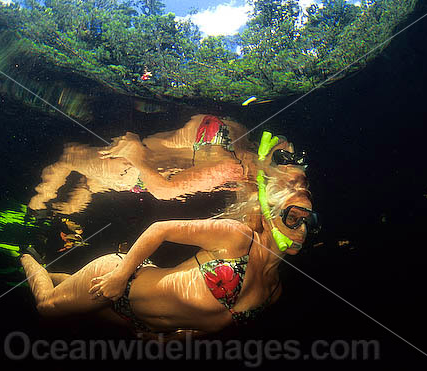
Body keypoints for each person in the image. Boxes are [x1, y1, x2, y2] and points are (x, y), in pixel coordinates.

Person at [20, 131, 319, 336]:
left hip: (134, 322)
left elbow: (206, 326)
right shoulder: (238, 238)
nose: (303, 229)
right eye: (294, 217)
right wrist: (120, 276)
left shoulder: (274, 291)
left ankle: (49, 272)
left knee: (67, 294)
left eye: (310, 221)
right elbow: (160, 228)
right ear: (268, 216)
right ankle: (24, 254)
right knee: (47, 306)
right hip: (120, 281)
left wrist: (169, 340)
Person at [27, 115, 254, 215]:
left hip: (129, 168)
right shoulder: (240, 144)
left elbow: (165, 191)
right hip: (131, 166)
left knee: (71, 157)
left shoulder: (232, 168)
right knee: (84, 176)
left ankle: (37, 209)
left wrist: (136, 154)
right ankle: (65, 199)